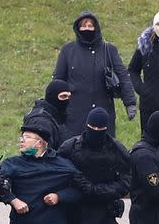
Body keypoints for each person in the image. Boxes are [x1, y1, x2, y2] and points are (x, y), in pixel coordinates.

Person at [53, 11, 137, 139]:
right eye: (83, 26)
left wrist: (130, 102)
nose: (87, 29)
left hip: (103, 109)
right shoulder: (68, 50)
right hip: (75, 112)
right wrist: (53, 105)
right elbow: (58, 81)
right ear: (78, 29)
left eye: (90, 26)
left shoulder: (108, 50)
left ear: (96, 28)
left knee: (103, 149)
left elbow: (123, 75)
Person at [23, 79, 72, 150]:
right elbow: (37, 152)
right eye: (63, 96)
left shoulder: (56, 117)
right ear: (53, 96)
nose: (67, 100)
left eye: (68, 97)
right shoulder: (41, 121)